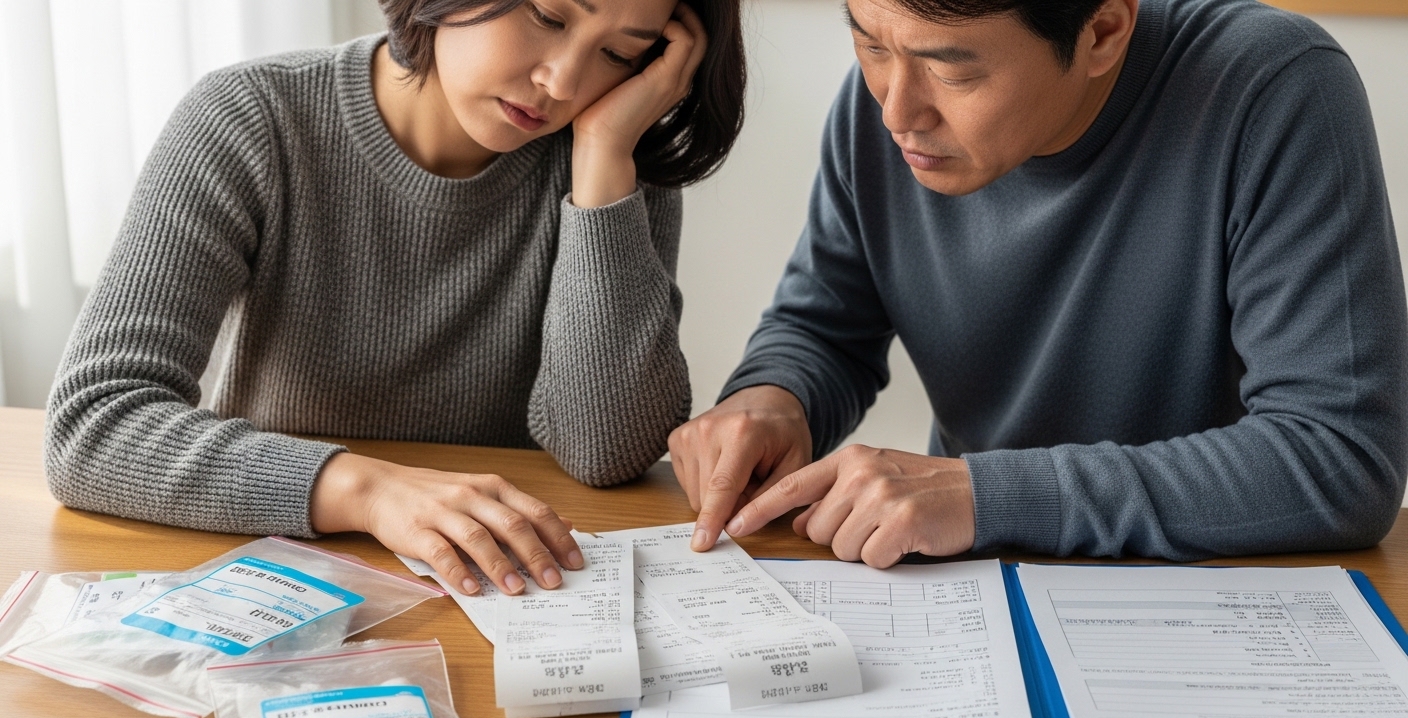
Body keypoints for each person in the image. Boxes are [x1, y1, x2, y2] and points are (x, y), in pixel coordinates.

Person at [43, 0, 744, 596]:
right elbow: (94, 425)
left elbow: (607, 449)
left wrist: (600, 166)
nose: (562, 82)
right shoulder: (254, 118)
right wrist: (370, 492)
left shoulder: (613, 158)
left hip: (500, 588)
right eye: (548, 15)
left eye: (622, 53)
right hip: (279, 576)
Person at [671, 0, 1407, 565]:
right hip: (974, 588)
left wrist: (988, 496)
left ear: (1103, 31)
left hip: (1215, 602)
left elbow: (1339, 457)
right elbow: (825, 330)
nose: (897, 109)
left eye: (953, 70)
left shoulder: (1272, 89)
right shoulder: (880, 113)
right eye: (867, 41)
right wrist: (773, 400)